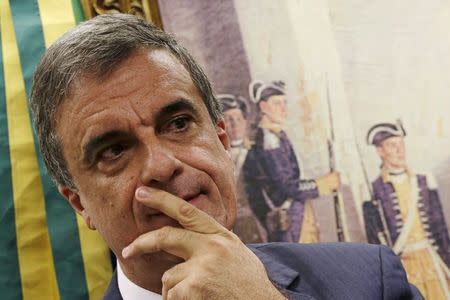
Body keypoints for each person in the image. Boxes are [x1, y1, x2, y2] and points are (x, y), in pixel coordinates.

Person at [29, 13, 421, 299]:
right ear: (80, 203)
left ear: (221, 138)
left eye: (179, 123)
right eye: (114, 150)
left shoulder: (371, 282)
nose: (163, 164)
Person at [243, 80, 340, 243]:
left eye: (285, 103)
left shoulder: (277, 135)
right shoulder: (269, 141)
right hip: (290, 223)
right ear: (263, 107)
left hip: (298, 217)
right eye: (277, 103)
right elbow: (287, 186)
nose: (284, 109)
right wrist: (322, 184)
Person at [364, 121, 450, 299]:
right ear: (380, 151)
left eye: (401, 144)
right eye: (392, 145)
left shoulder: (424, 181)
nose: (399, 150)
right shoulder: (373, 191)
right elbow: (374, 241)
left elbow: (441, 231)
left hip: (432, 261)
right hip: (402, 267)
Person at [218, 94, 267, 243]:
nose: (235, 124)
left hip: (254, 222)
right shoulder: (215, 156)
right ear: (220, 125)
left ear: (245, 121)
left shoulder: (259, 152)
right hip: (224, 226)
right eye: (229, 120)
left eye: (239, 119)